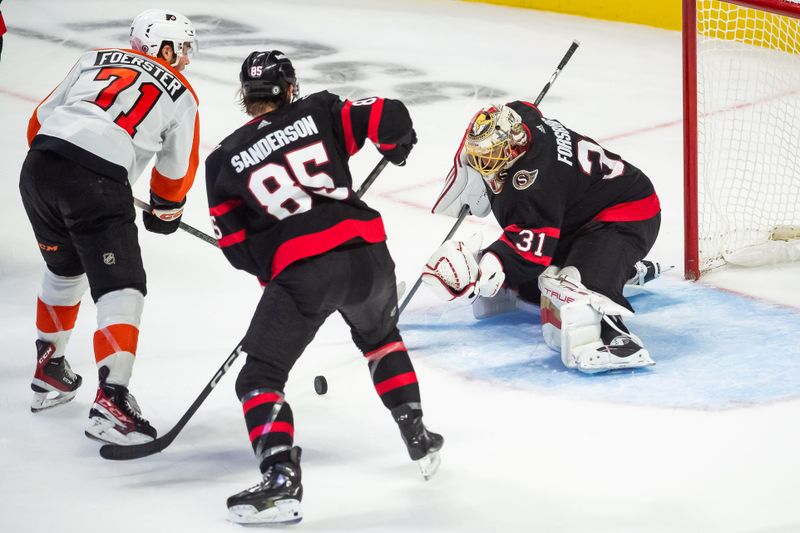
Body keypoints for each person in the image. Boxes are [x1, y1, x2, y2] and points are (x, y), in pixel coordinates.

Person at [205, 50, 443, 525]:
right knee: (380, 340)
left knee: (259, 378)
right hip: (370, 256)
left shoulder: (223, 161)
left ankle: (279, 480)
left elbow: (234, 244)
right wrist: (397, 146)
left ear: (245, 97)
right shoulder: (321, 111)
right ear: (289, 88)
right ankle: (416, 431)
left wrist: (272, 270)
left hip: (303, 273)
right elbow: (388, 114)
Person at [19, 9, 199, 444]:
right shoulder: (183, 92)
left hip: (39, 166)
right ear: (166, 48)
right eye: (184, 49)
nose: (187, 60)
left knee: (65, 269)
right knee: (122, 285)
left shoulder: (92, 57)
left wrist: (65, 166)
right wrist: (164, 212)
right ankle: (113, 400)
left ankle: (50, 370)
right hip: (96, 181)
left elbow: (38, 120)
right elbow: (175, 172)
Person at [424, 102, 661, 374]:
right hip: (578, 213)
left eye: (490, 156)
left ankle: (619, 340)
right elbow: (525, 107)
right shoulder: (520, 119)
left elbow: (531, 251)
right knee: (532, 288)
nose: (483, 165)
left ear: (514, 145)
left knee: (576, 289)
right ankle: (617, 267)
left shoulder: (534, 183)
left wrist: (487, 268)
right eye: (479, 156)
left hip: (628, 214)